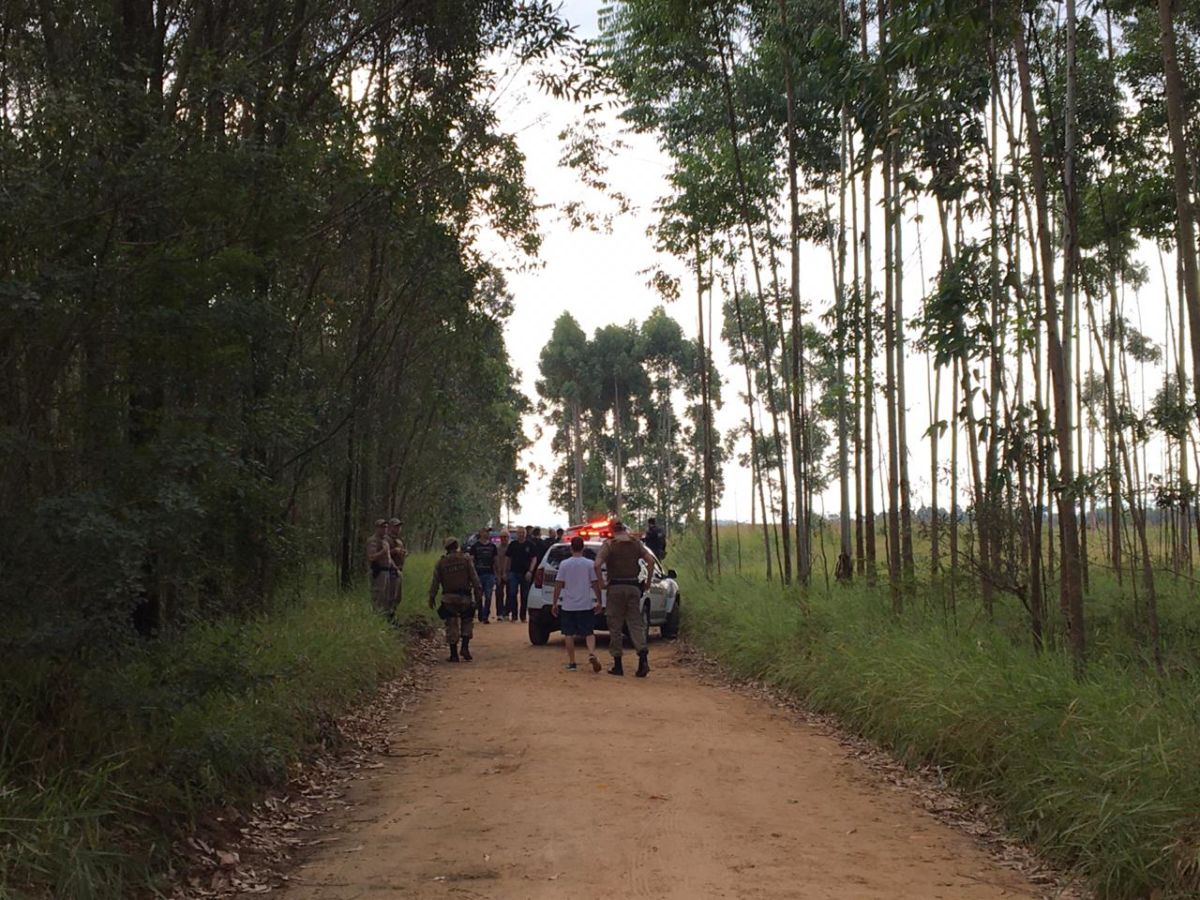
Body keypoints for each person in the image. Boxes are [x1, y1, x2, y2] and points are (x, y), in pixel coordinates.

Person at [594, 519, 657, 677]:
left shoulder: (609, 545)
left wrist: (601, 582)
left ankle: (618, 665)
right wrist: (648, 582)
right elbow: (650, 560)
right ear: (625, 530)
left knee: (615, 625)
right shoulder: (636, 544)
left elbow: (597, 564)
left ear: (612, 531)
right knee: (635, 624)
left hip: (615, 588)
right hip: (633, 587)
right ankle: (643, 659)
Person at [552, 536, 603, 672]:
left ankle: (572, 662)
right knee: (589, 632)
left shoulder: (564, 564)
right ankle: (591, 652)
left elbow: (558, 584)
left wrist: (554, 602)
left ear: (571, 548)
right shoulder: (589, 564)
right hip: (585, 604)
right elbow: (594, 583)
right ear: (583, 548)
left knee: (568, 634)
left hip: (569, 605)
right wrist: (599, 601)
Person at [429, 538, 484, 662]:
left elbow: (435, 583)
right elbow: (475, 579)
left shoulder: (441, 563)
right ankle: (465, 647)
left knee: (451, 624)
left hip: (449, 599)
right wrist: (478, 595)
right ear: (457, 546)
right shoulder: (466, 560)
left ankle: (454, 654)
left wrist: (431, 597)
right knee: (467, 621)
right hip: (465, 597)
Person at [468, 526, 499, 623]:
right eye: (485, 532)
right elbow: (471, 561)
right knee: (478, 596)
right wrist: (471, 575)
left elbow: (495, 561)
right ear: (481, 533)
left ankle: (486, 616)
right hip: (478, 574)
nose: (487, 534)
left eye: (488, 532)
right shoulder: (475, 546)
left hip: (489, 574)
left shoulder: (493, 547)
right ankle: (480, 613)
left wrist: (497, 574)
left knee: (489, 596)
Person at [505, 526, 535, 622]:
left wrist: (530, 571)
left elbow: (534, 559)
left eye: (523, 532)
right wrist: (506, 571)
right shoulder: (513, 544)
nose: (521, 534)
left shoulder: (530, 545)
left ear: (525, 534)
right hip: (513, 573)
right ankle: (514, 615)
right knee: (512, 593)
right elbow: (508, 558)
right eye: (519, 533)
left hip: (525, 573)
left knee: (524, 595)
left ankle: (523, 616)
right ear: (517, 534)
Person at [366, 518, 393, 618]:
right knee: (378, 596)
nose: (384, 529)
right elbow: (371, 557)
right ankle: (376, 617)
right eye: (382, 527)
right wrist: (383, 552)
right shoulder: (373, 541)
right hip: (378, 572)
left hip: (387, 571)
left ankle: (385, 617)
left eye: (386, 527)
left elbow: (389, 557)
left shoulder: (385, 541)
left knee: (386, 597)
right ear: (377, 528)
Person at [386, 518, 408, 617]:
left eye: (399, 526)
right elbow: (383, 555)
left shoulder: (399, 540)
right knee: (390, 596)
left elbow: (401, 552)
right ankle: (388, 617)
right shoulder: (386, 539)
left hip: (399, 570)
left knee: (397, 597)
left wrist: (404, 553)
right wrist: (393, 551)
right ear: (390, 527)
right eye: (396, 526)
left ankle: (392, 614)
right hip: (390, 571)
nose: (398, 528)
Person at [495, 530, 511, 620]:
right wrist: (498, 574)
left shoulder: (511, 548)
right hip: (499, 573)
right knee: (499, 593)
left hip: (509, 573)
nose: (504, 539)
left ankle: (507, 612)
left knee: (510, 593)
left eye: (505, 537)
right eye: (502, 537)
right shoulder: (497, 548)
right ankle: (499, 613)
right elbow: (494, 561)